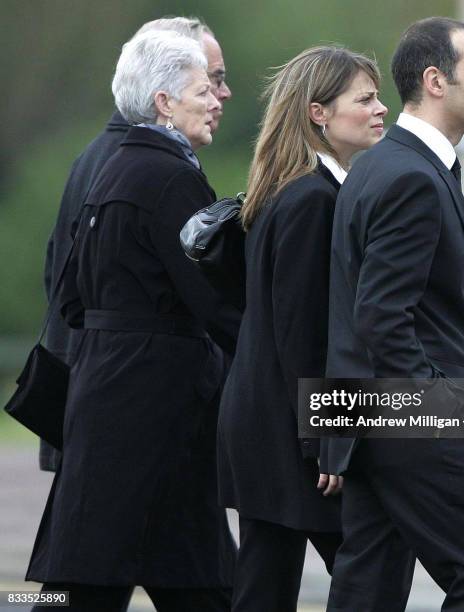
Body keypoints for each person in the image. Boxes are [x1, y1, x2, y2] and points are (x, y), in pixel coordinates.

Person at [26, 30, 240, 612]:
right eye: (205, 89)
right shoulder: (171, 177)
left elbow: (68, 295)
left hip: (109, 401)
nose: (219, 99)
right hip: (158, 410)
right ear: (165, 103)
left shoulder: (113, 168)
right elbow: (217, 301)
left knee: (85, 579)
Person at [325, 17, 464, 611]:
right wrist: (444, 420)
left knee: (369, 591)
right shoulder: (409, 175)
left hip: (370, 420)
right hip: (413, 424)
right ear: (435, 81)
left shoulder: (384, 165)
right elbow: (383, 317)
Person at [216, 46, 388, 611]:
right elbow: (303, 337)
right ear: (319, 113)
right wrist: (326, 444)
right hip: (290, 433)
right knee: (368, 573)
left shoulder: (291, 190)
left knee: (267, 580)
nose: (380, 109)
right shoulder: (313, 200)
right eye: (364, 99)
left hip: (267, 421)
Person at [40, 15, 232, 473]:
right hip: (137, 397)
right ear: (163, 93)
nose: (220, 96)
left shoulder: (108, 155)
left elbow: (60, 279)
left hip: (100, 389)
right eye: (208, 83)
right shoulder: (153, 168)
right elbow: (207, 296)